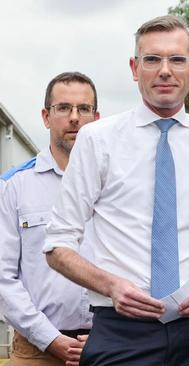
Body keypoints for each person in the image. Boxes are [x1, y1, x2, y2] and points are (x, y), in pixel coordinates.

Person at [43, 15, 189, 365]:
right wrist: (110, 285)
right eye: (152, 59)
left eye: (177, 59)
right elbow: (56, 245)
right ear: (134, 67)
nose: (164, 70)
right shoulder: (98, 140)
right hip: (121, 329)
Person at [0, 72, 99, 366]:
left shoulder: (117, 186)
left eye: (84, 109)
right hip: (37, 350)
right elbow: (3, 277)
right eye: (63, 108)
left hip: (106, 346)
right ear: (46, 116)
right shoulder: (14, 186)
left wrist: (110, 333)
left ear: (97, 118)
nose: (74, 118)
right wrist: (50, 339)